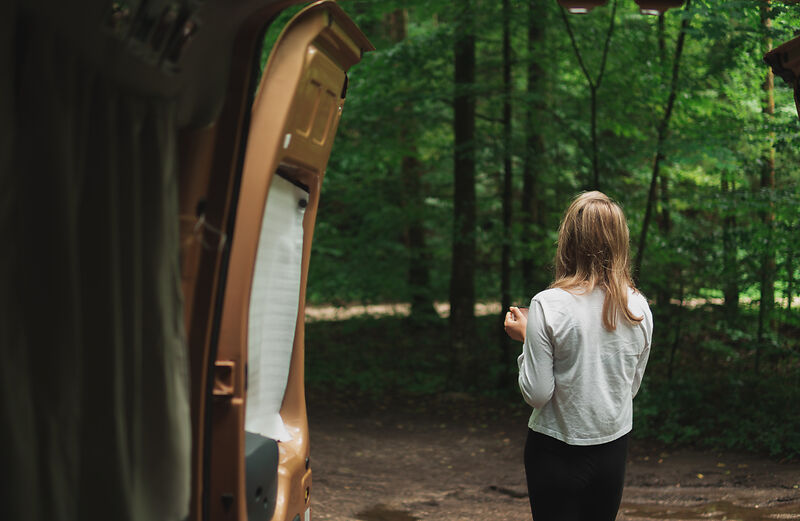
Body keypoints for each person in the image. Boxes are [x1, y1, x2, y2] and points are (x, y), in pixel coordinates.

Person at [503, 191, 653, 521]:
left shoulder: (547, 304)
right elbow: (628, 389)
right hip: (613, 448)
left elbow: (537, 394)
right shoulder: (639, 307)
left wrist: (528, 339)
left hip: (555, 450)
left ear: (568, 240)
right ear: (620, 242)